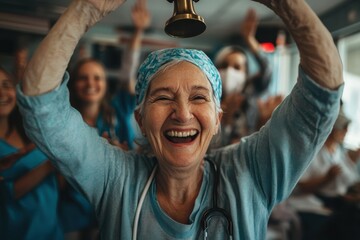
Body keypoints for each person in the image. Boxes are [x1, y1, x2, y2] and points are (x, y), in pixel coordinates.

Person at [17, 0, 343, 239]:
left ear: (217, 118)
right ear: (141, 120)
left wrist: (284, 3)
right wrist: (87, 9)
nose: (183, 113)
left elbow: (322, 92)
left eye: (199, 97)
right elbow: (41, 106)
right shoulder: (114, 179)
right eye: (163, 97)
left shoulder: (250, 174)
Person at [67, 0, 150, 150]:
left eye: (97, 78)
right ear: (73, 83)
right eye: (83, 78)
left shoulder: (118, 109)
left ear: (105, 84)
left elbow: (128, 72)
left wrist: (138, 31)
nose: (90, 83)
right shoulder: (66, 122)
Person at [0, 67, 63, 240]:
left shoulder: (29, 131)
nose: (2, 93)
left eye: (6, 85)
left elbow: (56, 183)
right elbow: (7, 193)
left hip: (51, 230)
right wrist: (51, 164)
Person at [288, 109, 360, 240]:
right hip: (312, 200)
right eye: (343, 129)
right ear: (332, 129)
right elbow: (301, 186)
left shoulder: (337, 150)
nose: (345, 133)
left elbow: (346, 179)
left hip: (335, 200)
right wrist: (327, 178)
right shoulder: (313, 152)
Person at [213, 9, 273, 147]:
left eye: (237, 67)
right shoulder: (209, 99)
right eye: (224, 65)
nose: (229, 71)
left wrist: (249, 39)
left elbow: (267, 69)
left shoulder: (251, 93)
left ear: (246, 73)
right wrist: (225, 121)